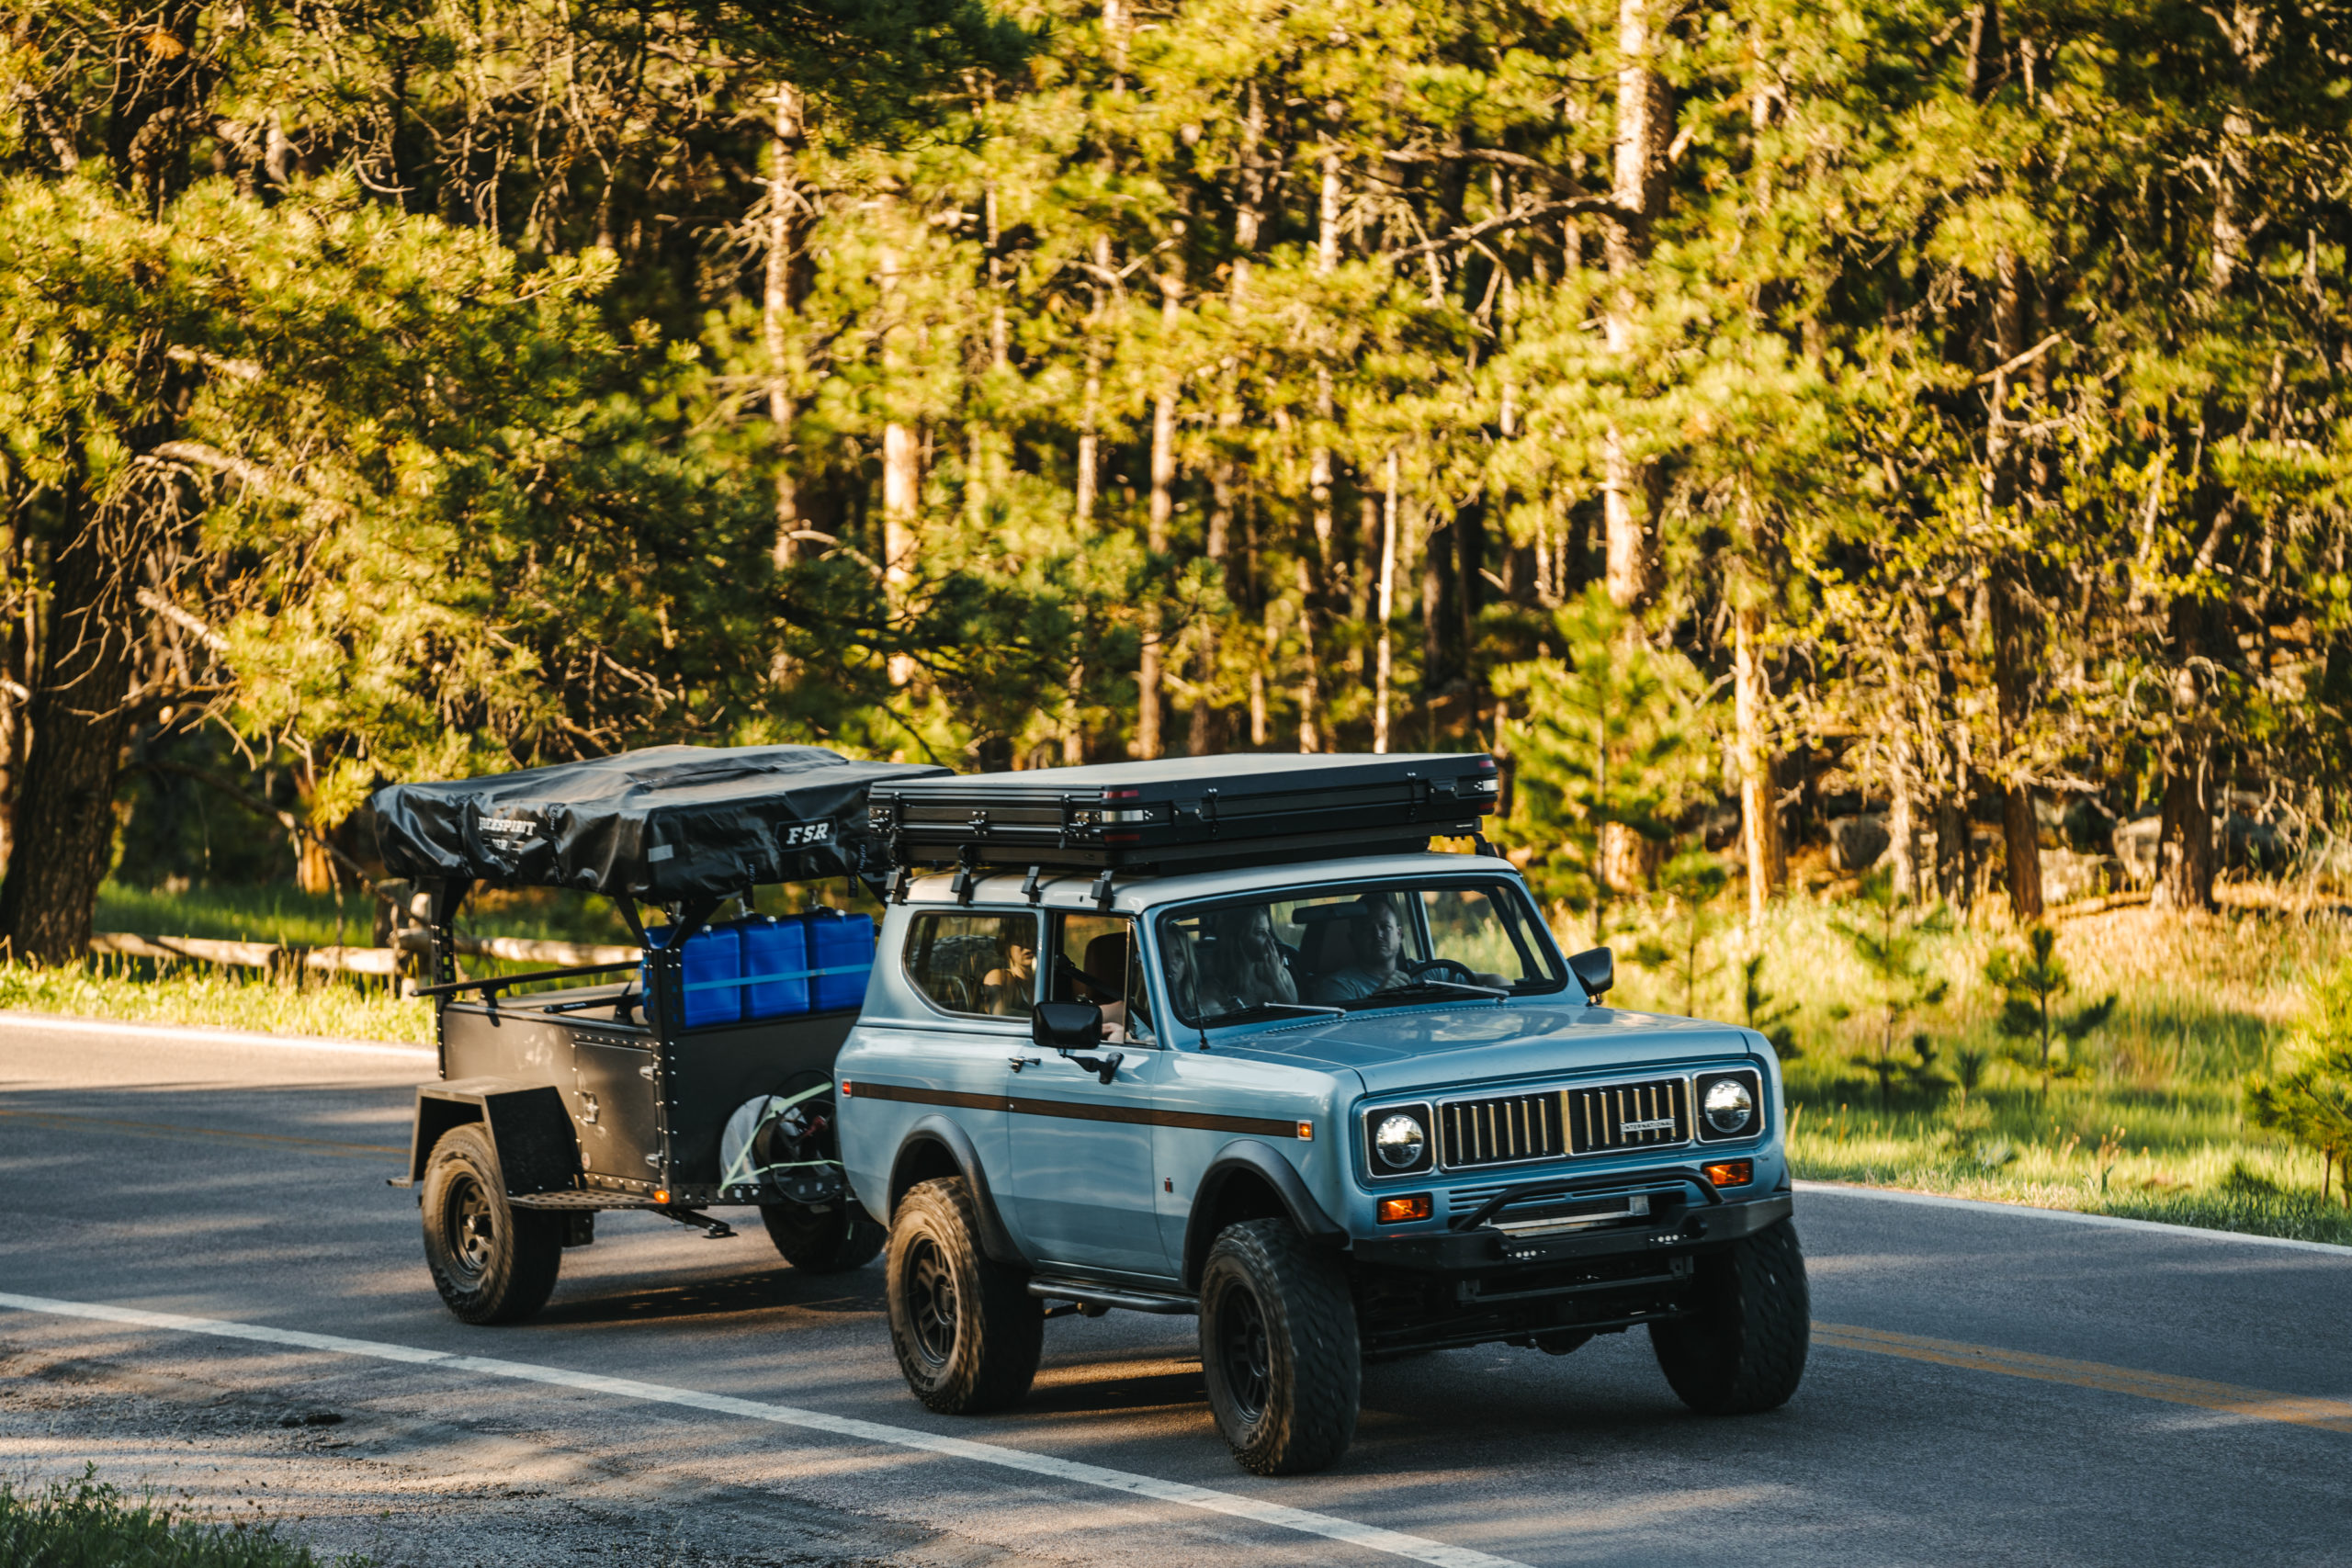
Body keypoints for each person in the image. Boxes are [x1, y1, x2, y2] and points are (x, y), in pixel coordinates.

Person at [1199, 905, 1298, 1014]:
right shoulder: (1215, 990)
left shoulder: (1283, 976)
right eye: (1259, 932)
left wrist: (1276, 982)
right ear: (1238, 939)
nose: (1270, 940)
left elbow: (1298, 1020)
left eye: (1268, 931)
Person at [981, 933, 1036, 1016]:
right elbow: (999, 1014)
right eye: (1019, 940)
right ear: (1007, 947)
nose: (1027, 945)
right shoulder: (999, 976)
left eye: (1031, 939)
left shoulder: (1044, 980)